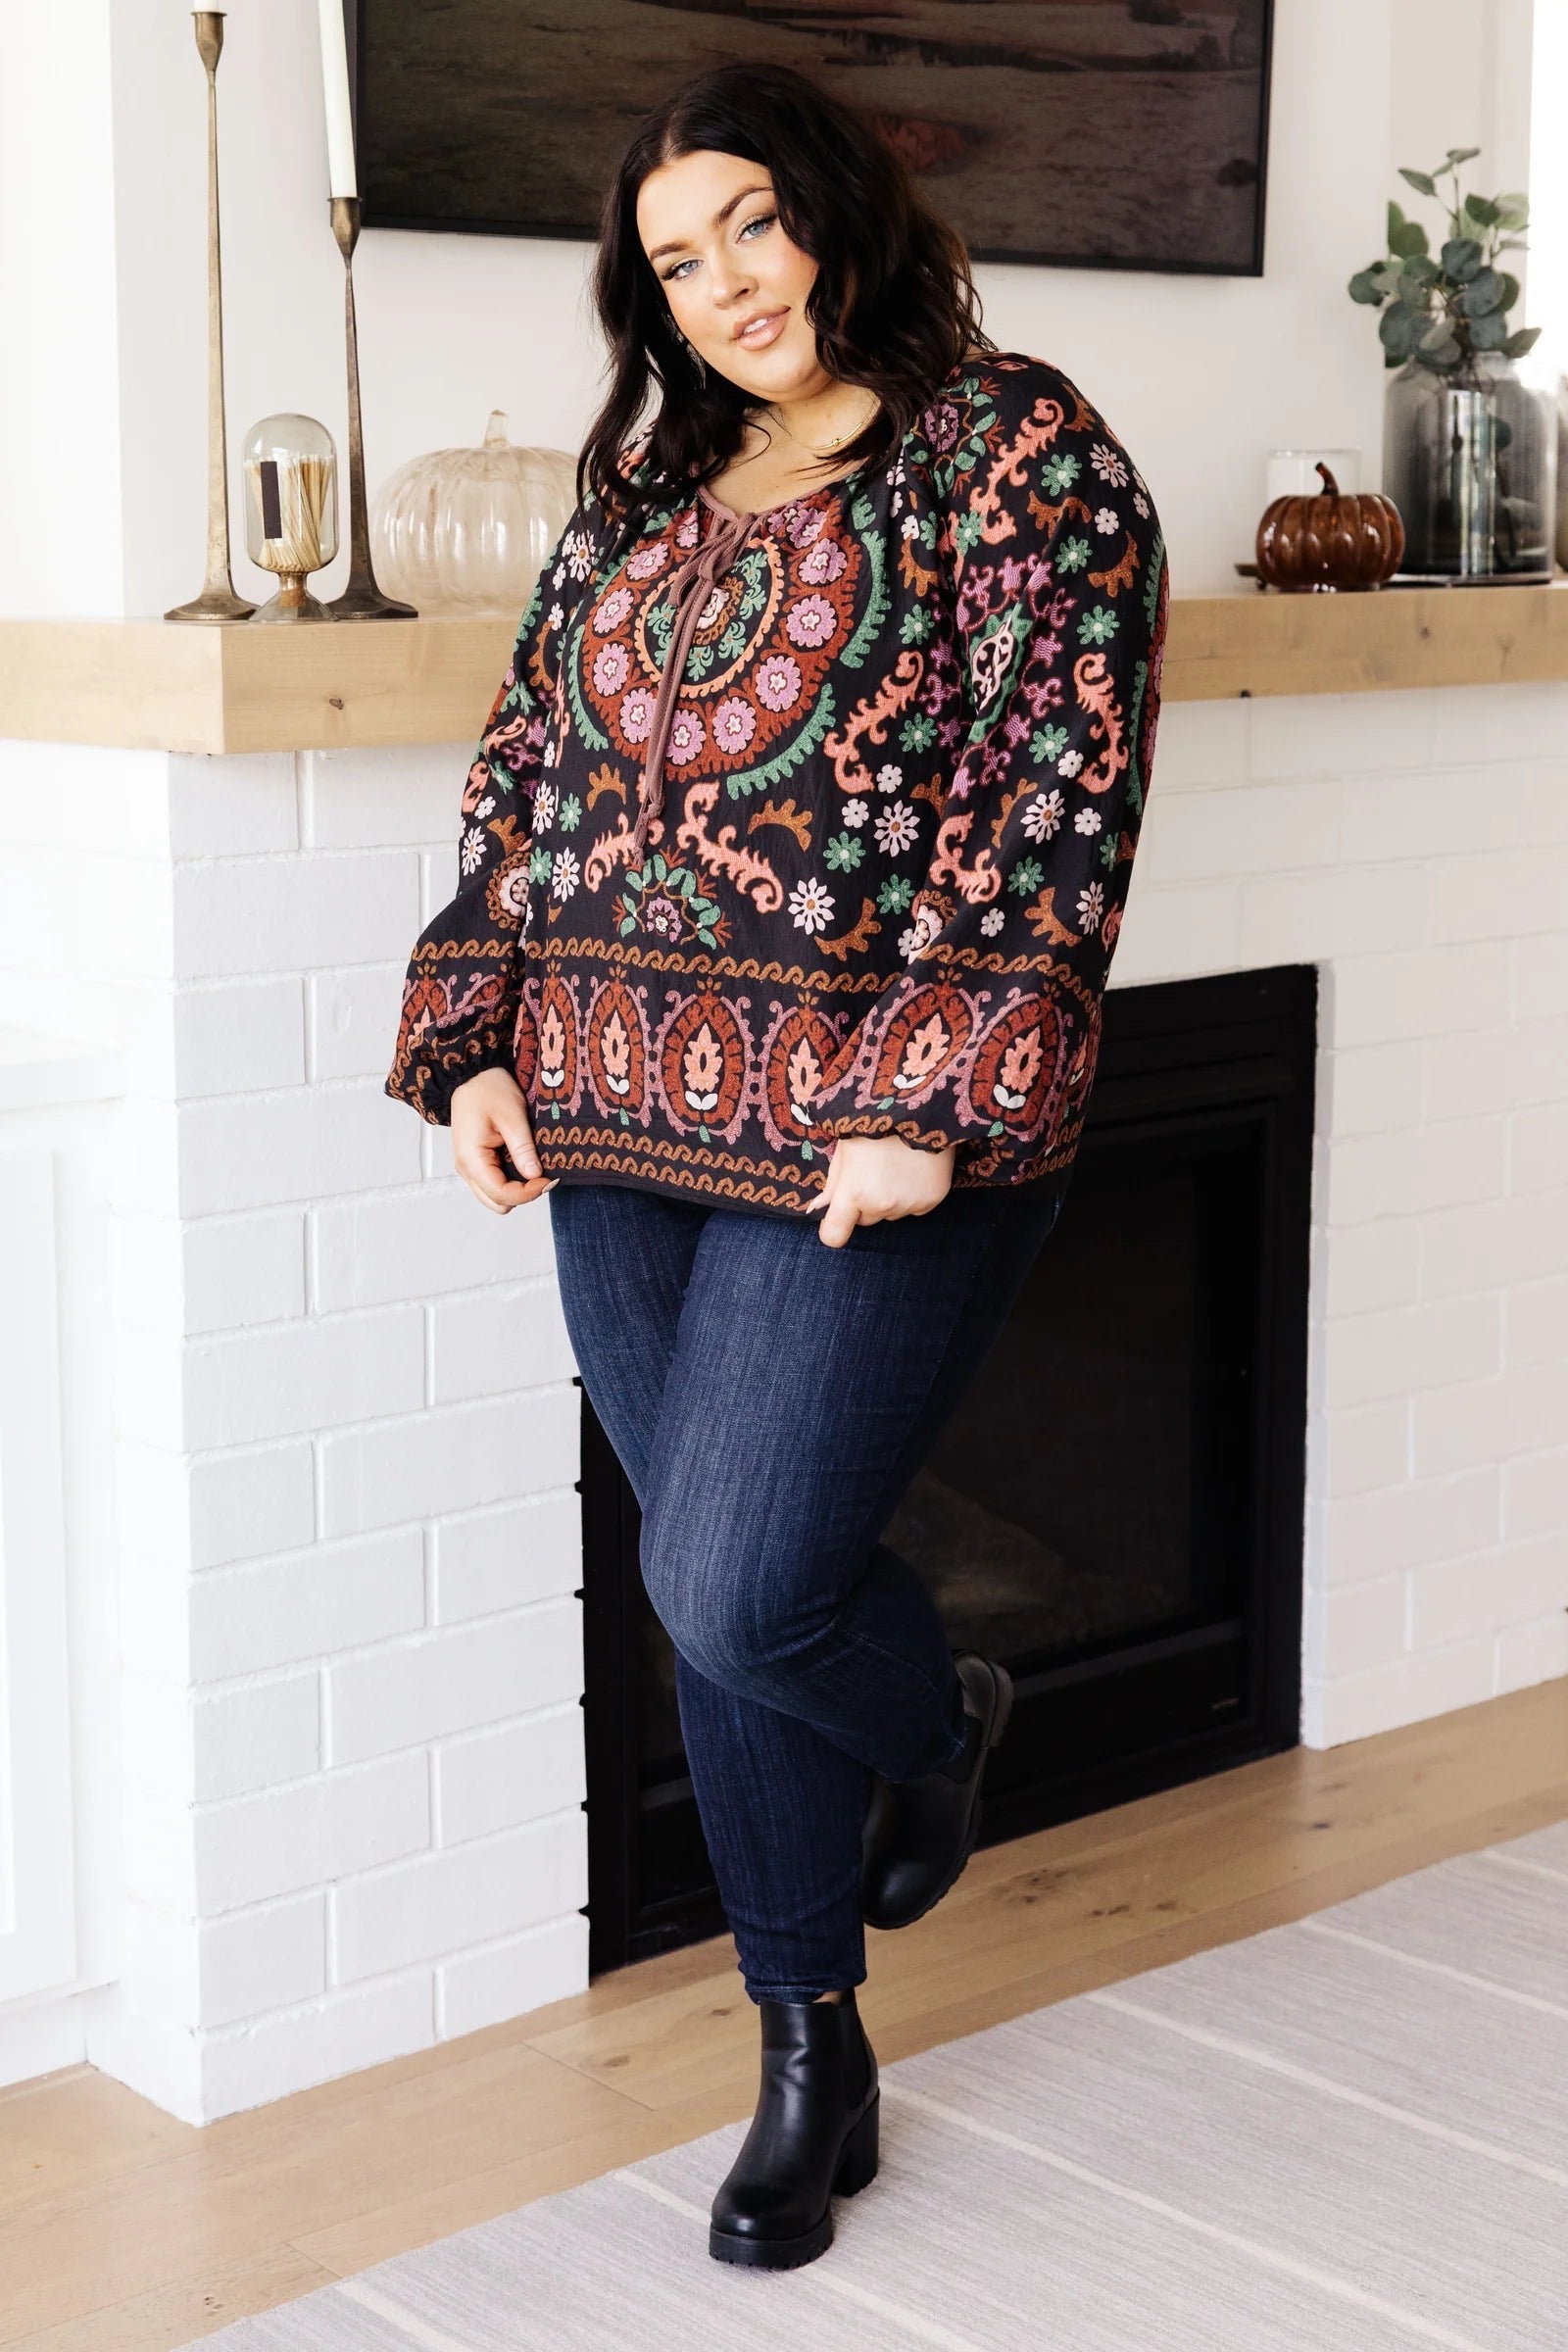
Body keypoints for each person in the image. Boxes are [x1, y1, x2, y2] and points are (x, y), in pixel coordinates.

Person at [386, 60, 1169, 2274]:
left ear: (830, 209)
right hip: (611, 1111)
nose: (720, 281)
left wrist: (929, 1087)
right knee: (708, 1609)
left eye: (747, 223)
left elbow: (1056, 782)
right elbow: (523, 768)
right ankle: (806, 2051)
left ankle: (944, 1713)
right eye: (671, 256)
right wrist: (467, 1036)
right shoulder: (642, 483)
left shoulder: (1013, 443)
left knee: (735, 1587)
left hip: (866, 1128)